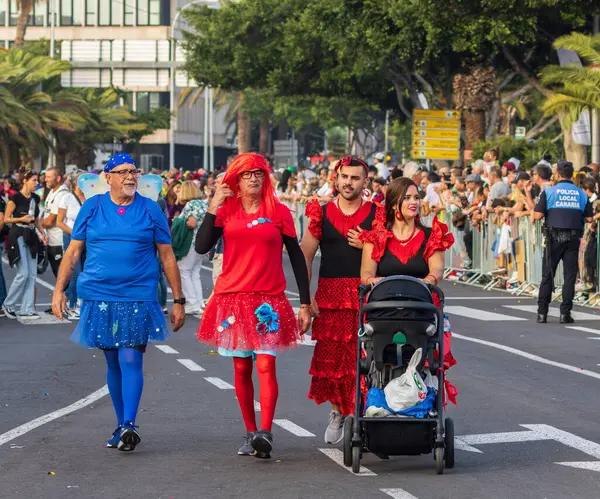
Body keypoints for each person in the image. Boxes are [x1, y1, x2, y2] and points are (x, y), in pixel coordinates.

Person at [51, 153, 185, 451]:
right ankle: (121, 423)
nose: (130, 177)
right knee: (112, 360)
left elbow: (167, 256)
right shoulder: (92, 207)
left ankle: (128, 425)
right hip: (99, 295)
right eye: (122, 172)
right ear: (107, 178)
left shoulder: (150, 209)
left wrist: (179, 299)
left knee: (130, 358)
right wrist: (59, 290)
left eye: (133, 172)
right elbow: (73, 253)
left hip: (138, 295)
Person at [195, 153, 311, 459]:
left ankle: (266, 432)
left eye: (259, 173)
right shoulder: (226, 211)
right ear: (236, 179)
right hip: (232, 299)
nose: (253, 179)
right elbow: (201, 246)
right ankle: (250, 432)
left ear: (266, 177)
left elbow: (297, 257)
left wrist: (306, 303)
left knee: (265, 363)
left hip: (267, 301)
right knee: (241, 366)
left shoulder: (280, 212)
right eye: (246, 175)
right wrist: (213, 204)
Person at [301, 156, 379, 444]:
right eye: (344, 177)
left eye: (355, 178)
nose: (349, 182)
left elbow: (391, 249)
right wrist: (306, 299)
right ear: (336, 178)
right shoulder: (320, 213)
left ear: (365, 182)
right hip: (330, 295)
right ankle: (337, 411)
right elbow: (305, 257)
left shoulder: (377, 213)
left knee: (366, 356)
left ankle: (362, 412)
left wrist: (368, 243)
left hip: (366, 294)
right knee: (334, 360)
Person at [534, 161, 593, 324]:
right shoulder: (581, 194)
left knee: (548, 275)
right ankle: (565, 314)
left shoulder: (549, 192)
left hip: (553, 238)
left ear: (559, 174)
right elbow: (589, 218)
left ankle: (542, 313)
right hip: (573, 239)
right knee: (569, 277)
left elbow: (538, 216)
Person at [3, 169, 47, 319]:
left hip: (31, 235)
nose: (37, 183)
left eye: (37, 181)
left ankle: (27, 309)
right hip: (18, 235)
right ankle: (8, 304)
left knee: (32, 274)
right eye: (34, 180)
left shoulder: (35, 198)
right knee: (23, 273)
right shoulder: (15, 198)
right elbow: (6, 219)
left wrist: (42, 233)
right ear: (25, 181)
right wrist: (21, 219)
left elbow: (36, 219)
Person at [56, 171, 86, 319]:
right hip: (71, 237)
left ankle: (79, 303)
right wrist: (75, 233)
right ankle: (73, 305)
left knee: (86, 272)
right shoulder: (66, 197)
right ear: (75, 182)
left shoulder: (90, 198)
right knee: (76, 272)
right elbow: (59, 222)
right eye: (82, 180)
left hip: (87, 239)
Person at [176, 180, 208, 315]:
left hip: (191, 242)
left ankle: (192, 302)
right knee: (195, 273)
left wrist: (178, 221)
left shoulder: (190, 205)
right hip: (203, 242)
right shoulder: (203, 203)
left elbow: (191, 223)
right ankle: (199, 302)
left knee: (184, 271)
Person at [41, 167, 70, 283]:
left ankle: (71, 300)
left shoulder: (62, 194)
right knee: (58, 278)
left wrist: (35, 222)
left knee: (63, 280)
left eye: (48, 177)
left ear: (58, 178)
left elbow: (49, 221)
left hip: (60, 242)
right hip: (51, 241)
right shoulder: (52, 192)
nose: (45, 179)